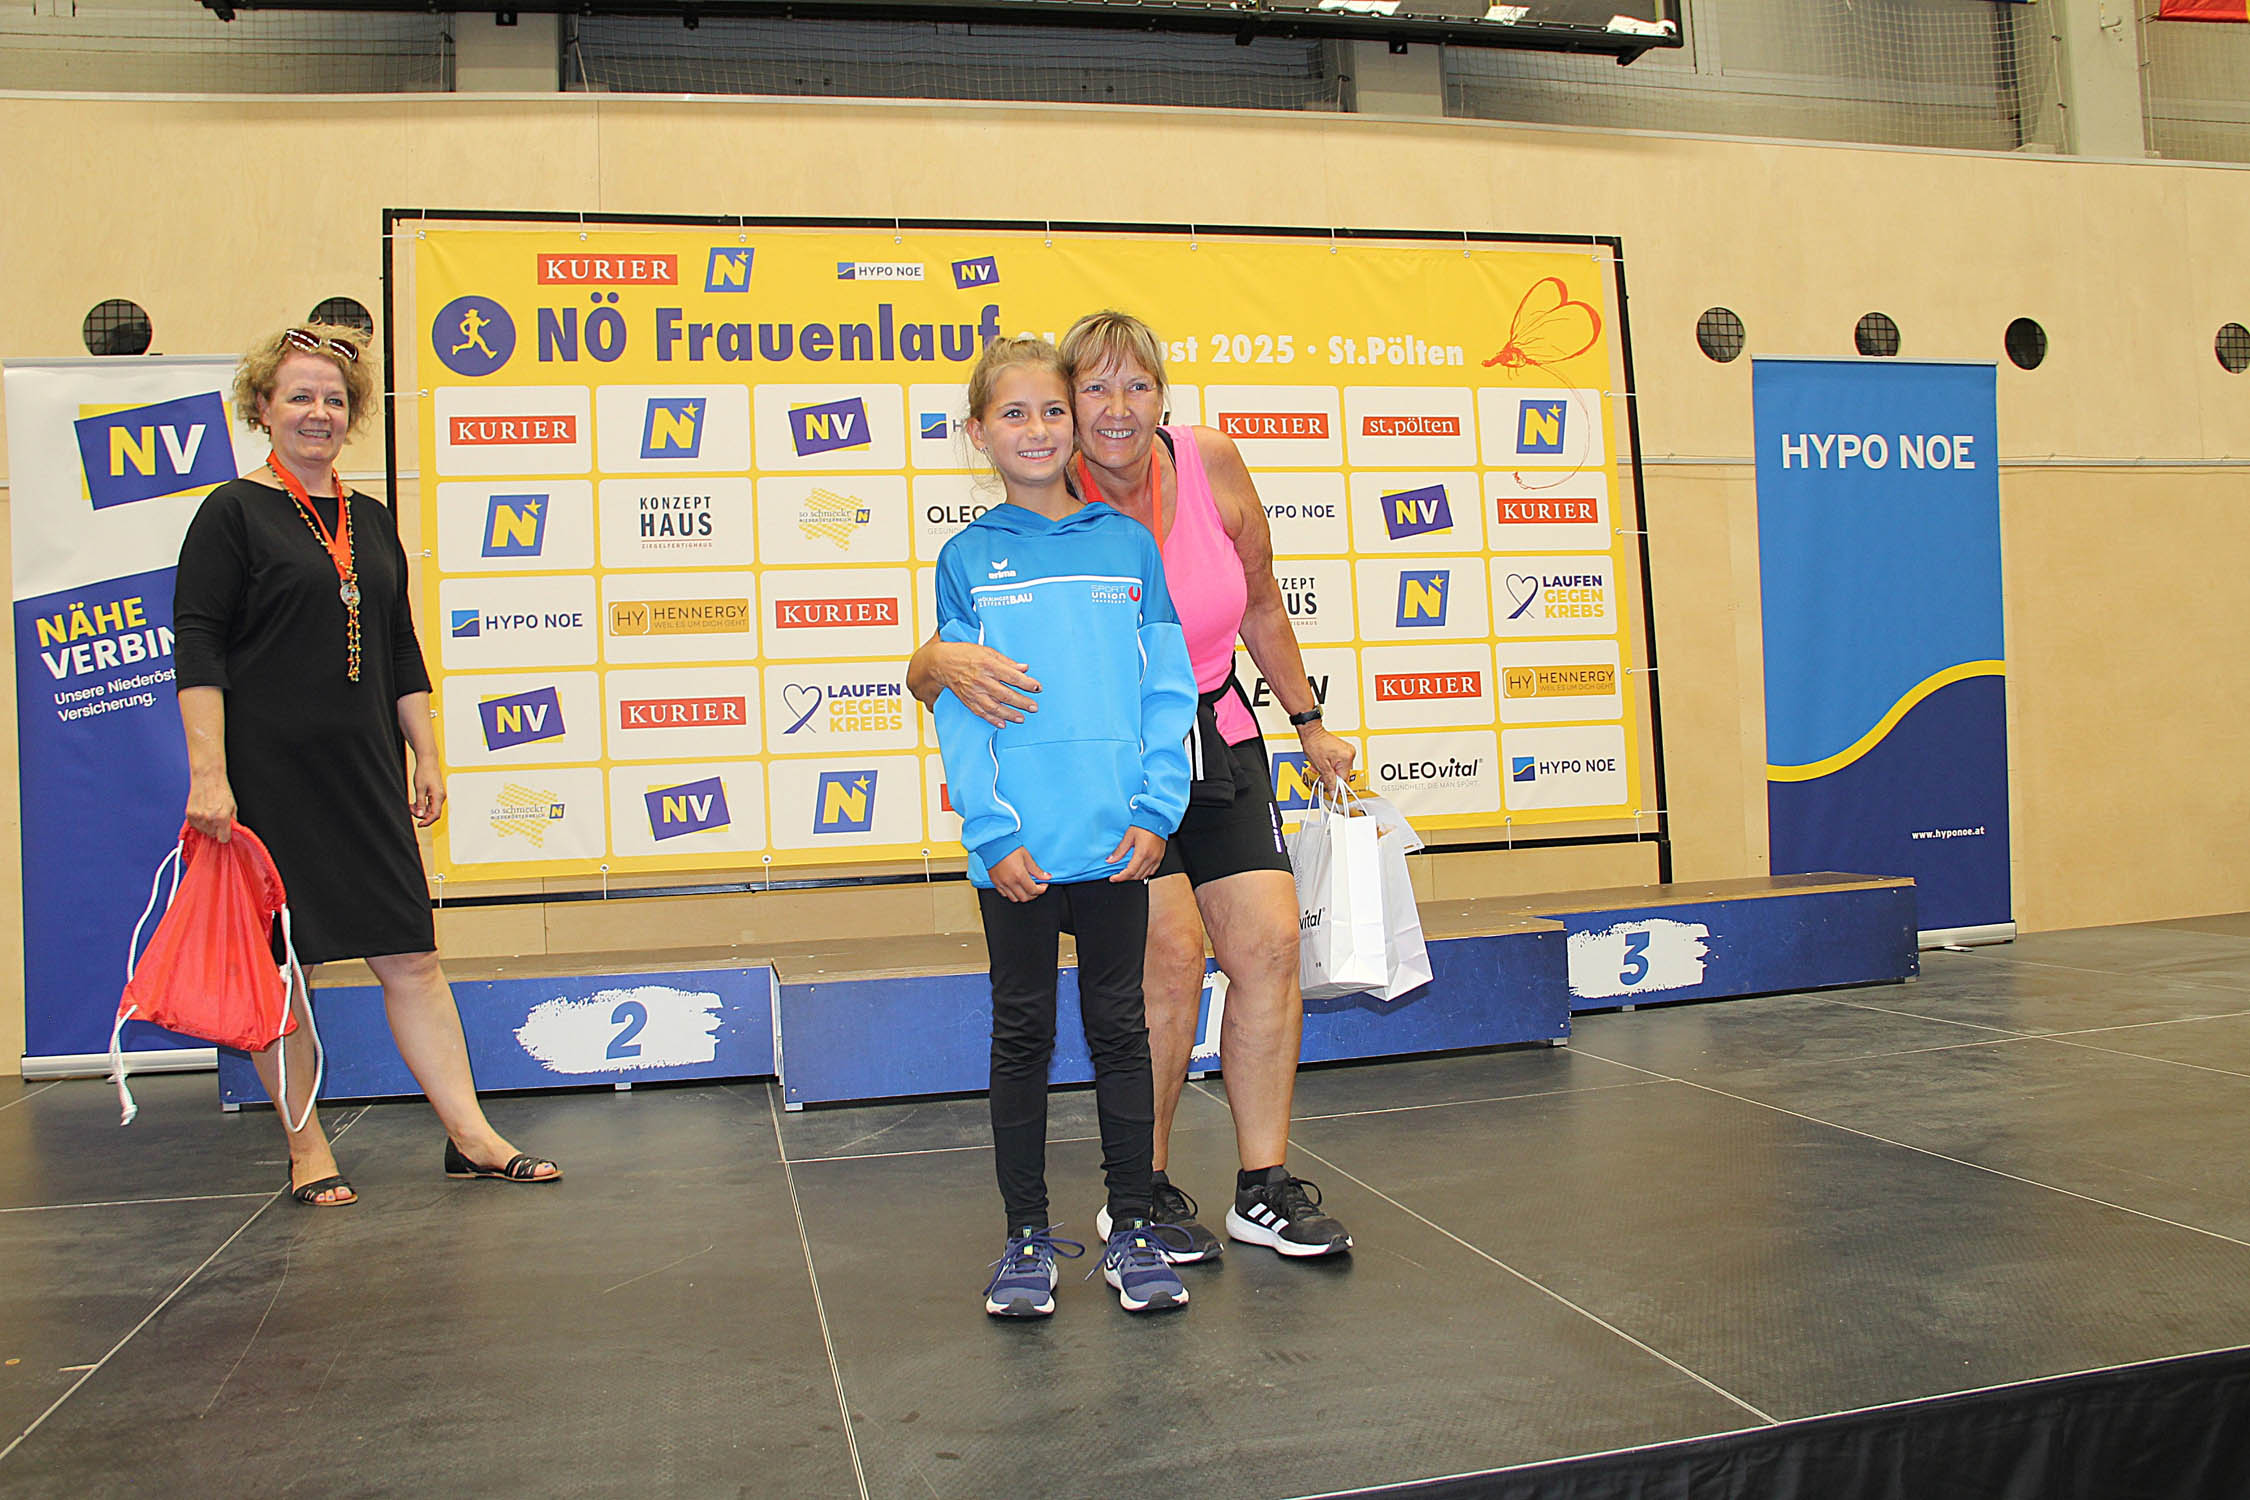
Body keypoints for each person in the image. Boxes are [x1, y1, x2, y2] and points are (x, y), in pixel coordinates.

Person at [910, 310, 1357, 1262]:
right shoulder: (1039, 485)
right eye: (1095, 389)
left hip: (1213, 733)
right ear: (1061, 407)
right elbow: (949, 660)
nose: (1116, 408)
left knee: (1271, 943)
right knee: (1168, 957)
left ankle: (1263, 1187)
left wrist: (1309, 720)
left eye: (1138, 386)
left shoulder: (1211, 464)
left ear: (1163, 397)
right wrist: (933, 660)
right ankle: (1139, 1192)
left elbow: (1261, 601)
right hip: (1112, 768)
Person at [173, 323, 559, 1206]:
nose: (318, 413)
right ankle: (306, 1148)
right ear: (262, 408)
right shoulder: (231, 513)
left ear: (352, 415)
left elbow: (398, 644)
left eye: (334, 399)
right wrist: (209, 776)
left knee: (413, 958)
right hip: (267, 781)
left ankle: (471, 1136)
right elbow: (197, 647)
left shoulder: (371, 519)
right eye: (299, 396)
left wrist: (426, 751)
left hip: (364, 773)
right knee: (286, 973)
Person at [933, 336, 1198, 1316]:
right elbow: (961, 710)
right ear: (978, 434)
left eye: (1053, 410)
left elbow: (1168, 690)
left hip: (1118, 844)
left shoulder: (1128, 547)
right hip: (1019, 856)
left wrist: (1156, 811)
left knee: (1121, 1030)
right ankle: (1025, 1240)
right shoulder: (967, 559)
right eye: (1013, 414)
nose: (1037, 430)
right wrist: (993, 836)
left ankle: (1134, 1228)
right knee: (1023, 1035)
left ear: (1075, 422)